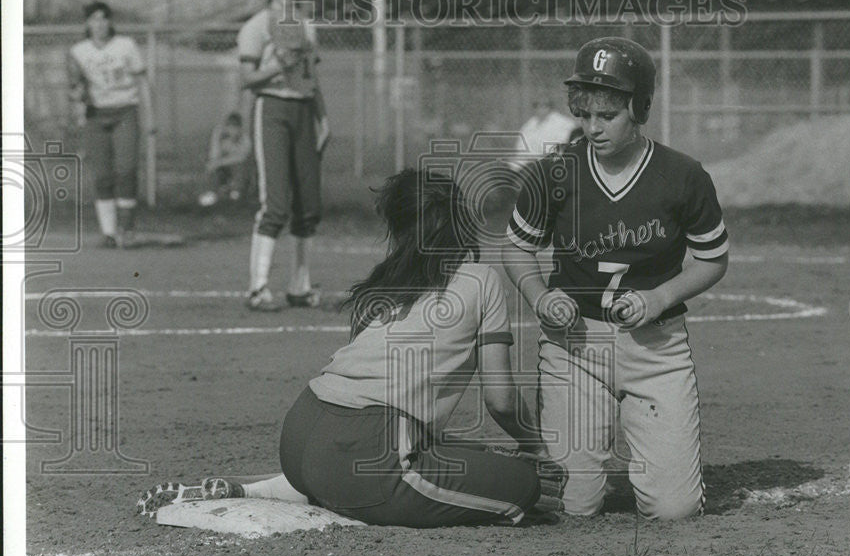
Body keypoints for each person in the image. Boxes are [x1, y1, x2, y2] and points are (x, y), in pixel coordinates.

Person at [137, 169, 563, 527]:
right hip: (370, 454)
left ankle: (247, 490)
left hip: (303, 429)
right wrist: (535, 446)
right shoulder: (480, 279)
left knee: (441, 451)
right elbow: (502, 402)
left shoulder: (383, 283)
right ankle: (345, 486)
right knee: (525, 486)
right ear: (463, 225)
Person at [501, 37, 729, 521]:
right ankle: (557, 463)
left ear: (639, 108)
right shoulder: (553, 173)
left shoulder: (682, 176)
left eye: (608, 115)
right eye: (585, 115)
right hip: (573, 347)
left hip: (656, 349)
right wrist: (540, 297)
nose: (593, 127)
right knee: (574, 506)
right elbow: (518, 248)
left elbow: (713, 259)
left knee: (674, 510)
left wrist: (661, 296)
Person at [238, 0, 330, 311]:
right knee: (275, 204)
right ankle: (258, 288)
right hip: (272, 109)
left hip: (304, 111)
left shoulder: (307, 25)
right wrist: (277, 66)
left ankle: (299, 287)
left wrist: (323, 118)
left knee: (309, 206)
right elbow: (247, 80)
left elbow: (312, 78)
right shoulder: (257, 25)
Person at [67, 1, 155, 248]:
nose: (99, 24)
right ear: (87, 23)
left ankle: (126, 229)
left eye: (104, 18)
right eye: (94, 19)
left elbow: (143, 82)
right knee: (102, 175)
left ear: (110, 21)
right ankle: (108, 232)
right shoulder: (79, 51)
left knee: (126, 170)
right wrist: (78, 104)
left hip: (125, 111)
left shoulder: (125, 45)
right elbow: (75, 88)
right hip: (96, 115)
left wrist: (151, 118)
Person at [200, 112, 252, 206]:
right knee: (211, 167)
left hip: (238, 169)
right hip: (224, 167)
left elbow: (241, 158)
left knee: (240, 168)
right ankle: (213, 191)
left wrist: (220, 162)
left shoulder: (245, 139)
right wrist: (216, 163)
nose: (233, 131)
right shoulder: (219, 135)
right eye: (230, 127)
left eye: (236, 128)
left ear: (240, 128)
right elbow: (213, 156)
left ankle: (236, 191)